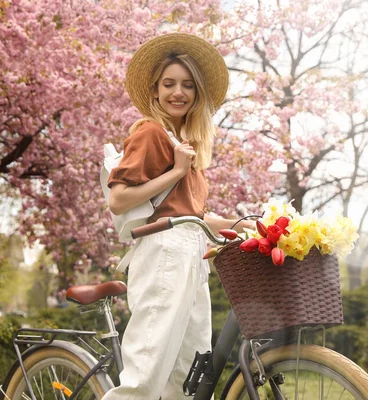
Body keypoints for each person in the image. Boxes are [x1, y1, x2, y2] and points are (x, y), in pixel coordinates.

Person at [103, 33, 252, 400]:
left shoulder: (185, 144)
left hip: (192, 253)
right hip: (162, 254)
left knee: (187, 377)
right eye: (169, 83)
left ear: (198, 94)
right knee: (146, 375)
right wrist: (174, 171)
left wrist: (240, 224)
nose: (177, 92)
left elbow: (193, 215)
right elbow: (118, 200)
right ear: (155, 90)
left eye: (187, 85)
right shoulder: (150, 132)